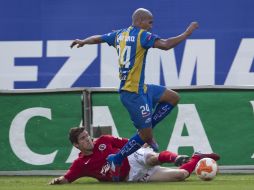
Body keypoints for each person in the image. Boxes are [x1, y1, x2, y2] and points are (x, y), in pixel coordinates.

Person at [70, 8, 199, 181]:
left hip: (142, 88)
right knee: (145, 136)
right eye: (149, 22)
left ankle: (148, 130)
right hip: (132, 94)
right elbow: (166, 45)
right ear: (139, 21)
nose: (151, 26)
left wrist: (83, 41)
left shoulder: (120, 34)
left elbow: (98, 38)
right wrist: (186, 33)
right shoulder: (142, 35)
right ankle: (117, 158)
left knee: (173, 97)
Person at [49, 127, 220, 184]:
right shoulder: (81, 164)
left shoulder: (104, 140)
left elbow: (128, 143)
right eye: (83, 139)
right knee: (181, 175)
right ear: (76, 145)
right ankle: (197, 157)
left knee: (152, 158)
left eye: (87, 136)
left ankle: (175, 158)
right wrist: (58, 181)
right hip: (132, 176)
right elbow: (67, 178)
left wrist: (143, 142)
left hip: (132, 157)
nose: (88, 140)